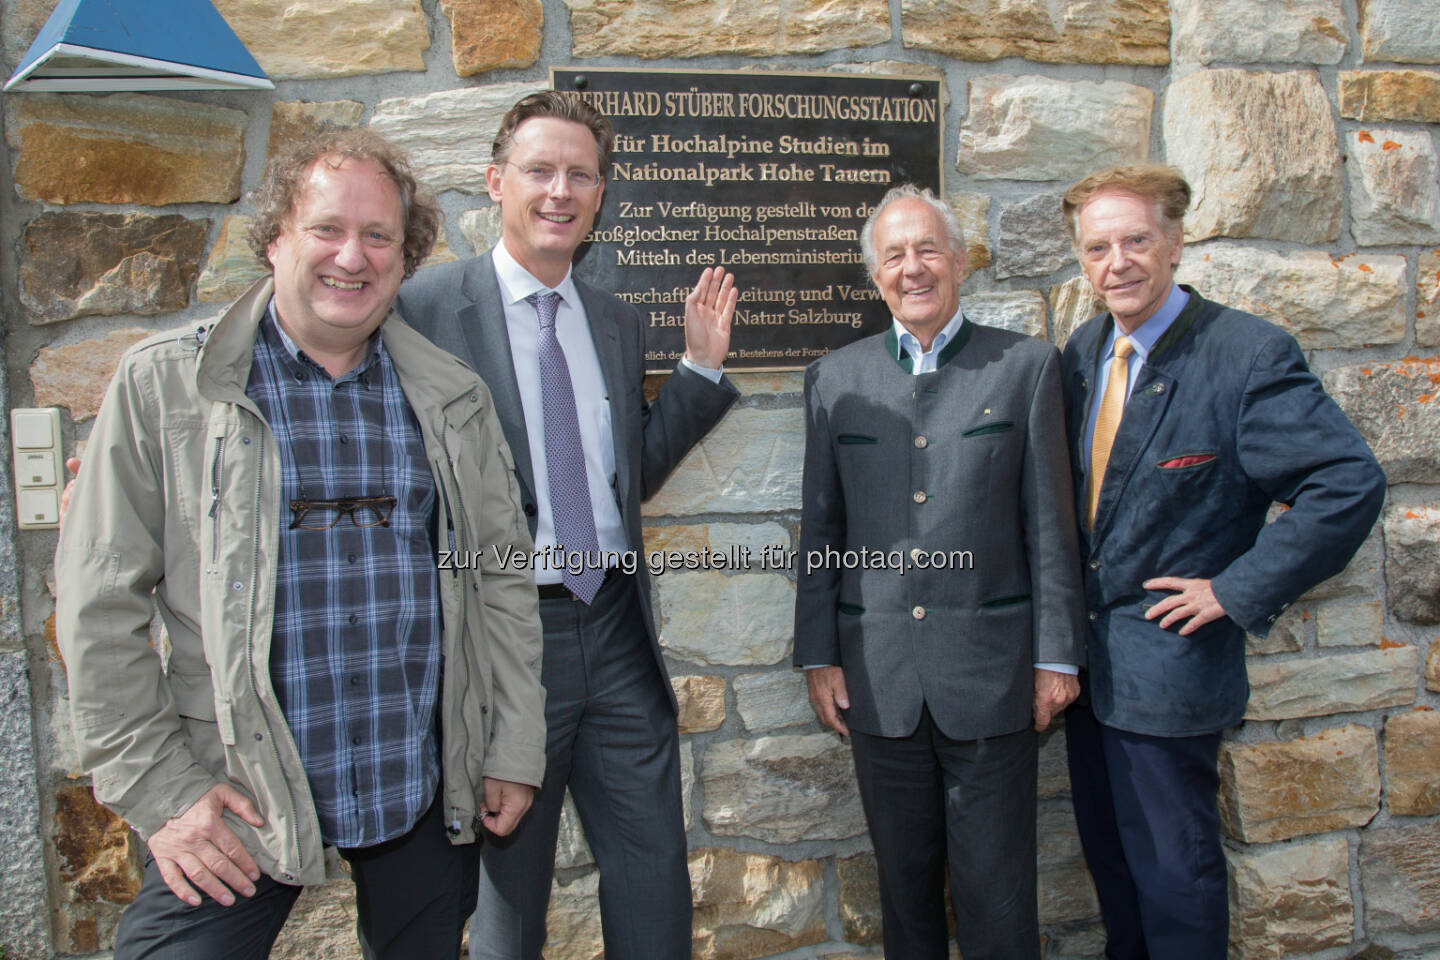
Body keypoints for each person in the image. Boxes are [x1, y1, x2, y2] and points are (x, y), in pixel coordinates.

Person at [54, 129, 546, 960]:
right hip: (240, 798)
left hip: (416, 788)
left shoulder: (452, 399)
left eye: (378, 236)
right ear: (276, 237)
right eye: (326, 228)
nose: (351, 256)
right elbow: (97, 607)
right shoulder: (166, 388)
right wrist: (164, 794)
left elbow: (500, 583)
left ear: (404, 257)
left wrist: (511, 748)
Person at [396, 90, 739, 960]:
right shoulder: (424, 309)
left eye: (579, 174)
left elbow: (620, 480)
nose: (560, 190)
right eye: (539, 170)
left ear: (599, 194)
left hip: (617, 626)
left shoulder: (615, 319)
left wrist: (698, 371)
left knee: (653, 870)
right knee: (512, 889)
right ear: (495, 182)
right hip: (511, 636)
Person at [1059, 163, 1386, 959]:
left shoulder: (1245, 355)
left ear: (1175, 241)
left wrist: (1235, 588)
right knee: (1116, 878)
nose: (1118, 262)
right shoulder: (1084, 350)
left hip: (1172, 678)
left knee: (1177, 886)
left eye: (1136, 240)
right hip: (1086, 678)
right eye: (1098, 247)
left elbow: (1346, 484)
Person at [793, 183, 1084, 960]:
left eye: (928, 250)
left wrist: (1055, 656)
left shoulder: (1024, 368)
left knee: (998, 898)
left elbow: (1049, 525)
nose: (912, 268)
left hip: (992, 681)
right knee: (905, 893)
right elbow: (823, 527)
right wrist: (818, 653)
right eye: (894, 255)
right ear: (874, 274)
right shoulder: (834, 379)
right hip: (878, 680)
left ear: (959, 262)